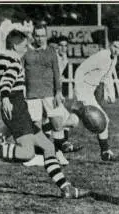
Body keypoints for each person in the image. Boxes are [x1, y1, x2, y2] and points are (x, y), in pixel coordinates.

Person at [0, 29, 87, 199]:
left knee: (48, 147)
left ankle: (66, 188)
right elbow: (8, 79)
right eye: (23, 45)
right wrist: (5, 97)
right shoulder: (14, 62)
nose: (26, 47)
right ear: (15, 45)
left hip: (18, 110)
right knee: (27, 153)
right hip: (16, 110)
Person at [22, 23, 70, 166]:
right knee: (36, 126)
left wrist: (58, 92)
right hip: (32, 95)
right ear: (33, 36)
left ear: (46, 36)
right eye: (37, 35)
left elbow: (57, 73)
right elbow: (20, 72)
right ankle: (38, 156)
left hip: (49, 94)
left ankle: (59, 153)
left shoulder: (51, 52)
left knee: (57, 123)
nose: (40, 38)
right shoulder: (26, 52)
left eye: (43, 35)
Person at [72, 32, 119, 161]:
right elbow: (80, 70)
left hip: (89, 91)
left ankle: (60, 141)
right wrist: (79, 93)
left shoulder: (114, 59)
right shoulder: (101, 56)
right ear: (110, 45)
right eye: (115, 46)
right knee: (103, 120)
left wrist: (110, 94)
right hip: (83, 90)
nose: (116, 50)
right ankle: (105, 151)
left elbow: (107, 77)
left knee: (73, 118)